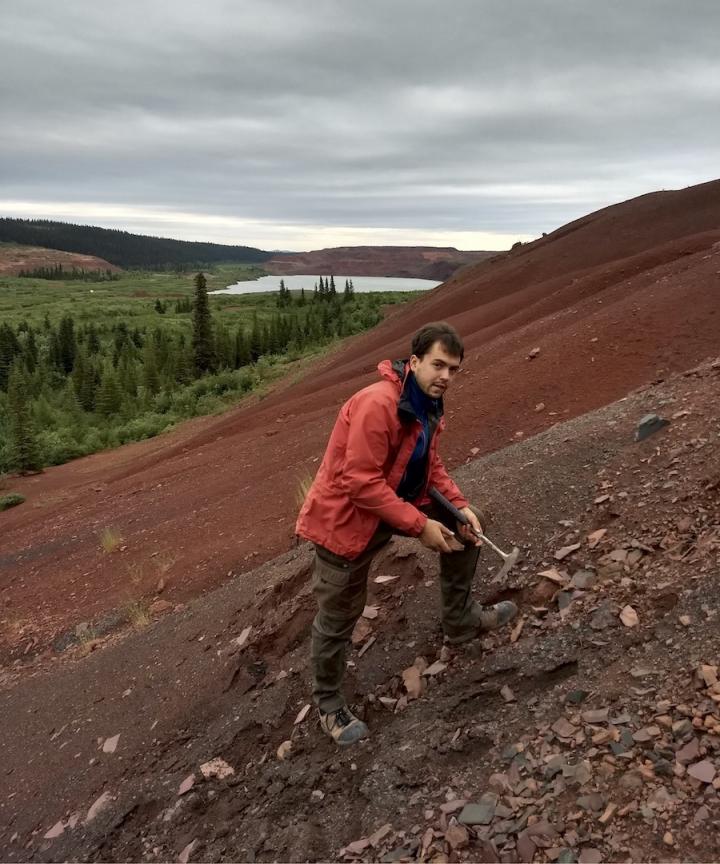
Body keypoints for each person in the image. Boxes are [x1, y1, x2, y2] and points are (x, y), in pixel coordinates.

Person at [296, 322, 517, 746]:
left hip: (397, 501)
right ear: (414, 362)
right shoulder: (377, 405)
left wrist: (458, 504)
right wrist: (419, 527)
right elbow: (359, 482)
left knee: (465, 525)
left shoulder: (428, 405)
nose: (445, 376)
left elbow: (428, 466)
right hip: (345, 521)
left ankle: (460, 621)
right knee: (339, 613)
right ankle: (328, 703)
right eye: (438, 365)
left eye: (453, 369)